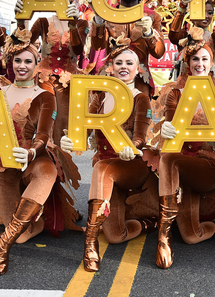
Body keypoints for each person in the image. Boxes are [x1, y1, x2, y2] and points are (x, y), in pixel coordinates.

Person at [0, 28, 80, 275]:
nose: (22, 66)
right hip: (5, 166)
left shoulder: (45, 96)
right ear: (10, 61)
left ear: (37, 65)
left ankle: (3, 243)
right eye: (18, 60)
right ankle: (35, 220)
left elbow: (44, 134)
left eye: (28, 61)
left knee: (47, 172)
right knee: (24, 235)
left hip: (34, 160)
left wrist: (31, 153)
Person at [60, 34, 159, 272]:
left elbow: (140, 136)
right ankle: (147, 223)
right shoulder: (101, 96)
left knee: (102, 168)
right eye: (119, 63)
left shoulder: (141, 98)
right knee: (115, 235)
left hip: (132, 166)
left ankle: (90, 241)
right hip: (106, 170)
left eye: (129, 63)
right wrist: (69, 139)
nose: (123, 67)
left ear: (138, 69)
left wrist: (131, 147)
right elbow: (83, 130)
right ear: (111, 68)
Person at [155, 32, 215, 269]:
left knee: (169, 161)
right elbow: (170, 128)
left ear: (212, 63)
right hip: (183, 165)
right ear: (188, 63)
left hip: (209, 166)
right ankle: (167, 228)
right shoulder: (175, 94)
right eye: (195, 59)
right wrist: (166, 129)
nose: (200, 64)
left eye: (205, 59)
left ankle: (165, 234)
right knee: (190, 236)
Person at [13, 0, 89, 147]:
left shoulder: (82, 23)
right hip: (44, 78)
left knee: (62, 125)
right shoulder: (42, 22)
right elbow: (23, 43)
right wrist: (20, 20)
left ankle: (59, 160)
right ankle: (37, 153)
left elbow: (78, 50)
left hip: (68, 83)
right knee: (43, 119)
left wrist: (72, 24)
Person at [88, 0, 165, 97]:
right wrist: (98, 17)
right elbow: (97, 46)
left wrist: (149, 32)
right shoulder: (108, 13)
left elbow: (158, 53)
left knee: (140, 109)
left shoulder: (153, 16)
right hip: (112, 78)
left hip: (140, 81)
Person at [169, 0, 215, 75]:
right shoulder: (184, 36)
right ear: (192, 14)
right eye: (201, 12)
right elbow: (173, 37)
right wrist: (181, 9)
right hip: (186, 82)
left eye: (210, 12)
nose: (206, 16)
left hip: (209, 82)